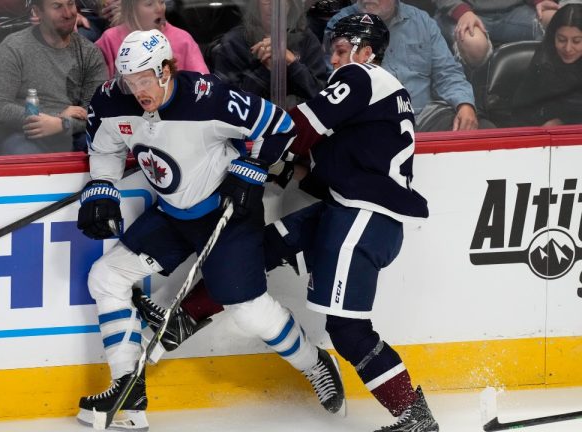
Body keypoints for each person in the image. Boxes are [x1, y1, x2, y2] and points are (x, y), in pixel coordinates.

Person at [133, 14, 440, 432]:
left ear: (368, 51)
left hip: (363, 217)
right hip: (349, 208)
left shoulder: (362, 75)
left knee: (347, 329)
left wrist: (244, 137)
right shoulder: (377, 97)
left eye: (341, 49)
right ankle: (188, 314)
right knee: (266, 246)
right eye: (332, 50)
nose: (334, 59)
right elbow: (322, 164)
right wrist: (277, 166)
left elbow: (297, 130)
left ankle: (413, 416)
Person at [74, 29, 344, 430]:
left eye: (146, 79)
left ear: (168, 69)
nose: (138, 91)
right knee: (106, 276)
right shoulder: (113, 100)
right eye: (130, 81)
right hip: (172, 215)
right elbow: (104, 146)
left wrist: (251, 170)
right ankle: (129, 392)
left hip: (227, 214)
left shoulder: (209, 98)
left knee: (248, 311)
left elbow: (281, 125)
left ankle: (314, 363)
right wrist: (101, 186)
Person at [327, 0, 480, 132]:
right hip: (373, 123)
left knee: (482, 129)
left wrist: (464, 104)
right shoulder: (341, 24)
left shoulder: (422, 22)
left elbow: (447, 72)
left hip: (425, 119)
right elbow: (336, 83)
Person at [0, 0, 107, 155]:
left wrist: (63, 124)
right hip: (26, 135)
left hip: (75, 134)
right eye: (57, 7)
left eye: (70, 4)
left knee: (104, 148)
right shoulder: (14, 47)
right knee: (20, 152)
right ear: (37, 12)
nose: (68, 13)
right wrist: (56, 116)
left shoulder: (90, 52)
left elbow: (97, 111)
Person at [213, 0, 331, 108]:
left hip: (297, 122)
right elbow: (228, 104)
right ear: (256, 3)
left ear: (291, 4)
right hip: (251, 124)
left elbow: (321, 96)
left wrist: (292, 63)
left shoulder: (306, 39)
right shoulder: (234, 42)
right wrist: (265, 69)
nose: (273, 5)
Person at [94, 0, 208, 78]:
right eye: (149, 3)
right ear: (131, 9)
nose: (159, 9)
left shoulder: (183, 39)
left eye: (161, 1)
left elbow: (205, 85)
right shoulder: (109, 40)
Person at [433, 0, 560, 69]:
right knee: (474, 44)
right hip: (461, 11)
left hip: (513, 10)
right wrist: (462, 12)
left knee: (558, 21)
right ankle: (473, 103)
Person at [512, 3, 582, 126]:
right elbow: (522, 108)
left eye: (576, 41)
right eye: (561, 39)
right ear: (552, 36)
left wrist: (564, 121)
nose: (568, 48)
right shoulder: (544, 58)